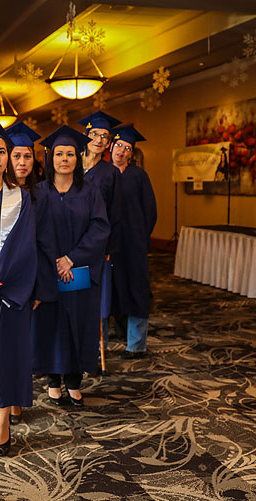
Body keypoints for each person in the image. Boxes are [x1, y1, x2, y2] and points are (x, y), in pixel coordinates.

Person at [31, 125, 110, 408]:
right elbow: (33, 233)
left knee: (79, 324)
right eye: (59, 154)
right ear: (50, 158)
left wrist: (71, 258)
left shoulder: (90, 192)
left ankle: (74, 381)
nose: (65, 159)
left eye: (70, 154)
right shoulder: (37, 193)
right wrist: (54, 261)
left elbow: (100, 229)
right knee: (50, 325)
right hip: (48, 272)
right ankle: (53, 380)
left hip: (80, 272)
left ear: (78, 159)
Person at [0, 116, 38, 457]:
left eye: (2, 150)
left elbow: (25, 246)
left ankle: (2, 421)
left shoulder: (21, 198)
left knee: (5, 356)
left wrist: (1, 282)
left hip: (10, 293)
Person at [109, 125, 158, 358]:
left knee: (136, 290)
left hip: (133, 244)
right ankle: (107, 339)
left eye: (127, 148)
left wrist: (139, 236)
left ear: (131, 154)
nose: (121, 151)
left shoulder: (139, 176)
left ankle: (136, 344)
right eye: (118, 145)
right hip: (107, 245)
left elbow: (150, 211)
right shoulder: (100, 174)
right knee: (111, 291)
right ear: (110, 146)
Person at [77, 110, 123, 355]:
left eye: (105, 136)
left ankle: (94, 348)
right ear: (86, 135)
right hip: (70, 244)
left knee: (96, 297)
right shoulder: (71, 163)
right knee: (71, 295)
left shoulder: (110, 173)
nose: (99, 140)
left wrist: (109, 248)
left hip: (97, 246)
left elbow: (116, 214)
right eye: (95, 133)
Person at [6, 120, 42, 190]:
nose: (22, 163)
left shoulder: (41, 193)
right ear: (7, 159)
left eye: (27, 156)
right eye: (16, 156)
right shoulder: (0, 193)